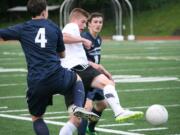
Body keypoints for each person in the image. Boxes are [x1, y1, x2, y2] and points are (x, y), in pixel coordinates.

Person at [0, 1, 99, 135]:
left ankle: (75, 108)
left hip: (36, 81)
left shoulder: (23, 28)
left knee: (37, 118)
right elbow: (62, 54)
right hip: (57, 75)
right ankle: (75, 106)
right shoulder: (54, 27)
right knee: (77, 79)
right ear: (44, 12)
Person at [61, 7, 144, 134]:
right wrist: (83, 40)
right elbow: (63, 37)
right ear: (76, 19)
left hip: (70, 75)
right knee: (107, 84)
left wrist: (99, 67)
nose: (84, 25)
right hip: (79, 70)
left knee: (76, 118)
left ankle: (87, 126)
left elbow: (74, 55)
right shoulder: (72, 26)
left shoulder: (87, 37)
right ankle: (119, 111)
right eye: (83, 22)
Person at [78, 12, 110, 135]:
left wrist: (102, 71)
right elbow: (78, 59)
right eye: (95, 22)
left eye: (100, 22)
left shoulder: (98, 39)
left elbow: (96, 60)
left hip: (95, 76)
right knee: (87, 107)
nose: (98, 24)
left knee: (102, 105)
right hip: (86, 77)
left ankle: (90, 129)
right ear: (89, 24)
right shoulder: (84, 38)